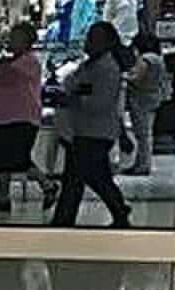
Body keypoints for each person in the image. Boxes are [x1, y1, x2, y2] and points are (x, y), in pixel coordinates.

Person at [49, 21, 132, 228]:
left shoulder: (108, 68)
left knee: (88, 177)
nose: (88, 42)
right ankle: (66, 218)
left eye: (93, 39)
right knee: (81, 177)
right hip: (82, 130)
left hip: (96, 132)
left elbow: (99, 102)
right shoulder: (89, 65)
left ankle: (117, 210)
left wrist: (75, 97)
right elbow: (71, 84)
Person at [0, 22, 59, 212]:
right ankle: (3, 197)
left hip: (21, 117)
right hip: (3, 117)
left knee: (19, 159)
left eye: (15, 37)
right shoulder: (14, 61)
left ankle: (47, 184)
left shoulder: (29, 62)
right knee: (1, 161)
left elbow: (5, 75)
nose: (10, 41)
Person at [124, 31, 168, 176]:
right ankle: (143, 163)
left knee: (142, 134)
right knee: (147, 134)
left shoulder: (145, 59)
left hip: (141, 100)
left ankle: (142, 165)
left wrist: (124, 76)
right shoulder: (158, 59)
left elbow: (137, 78)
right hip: (154, 98)